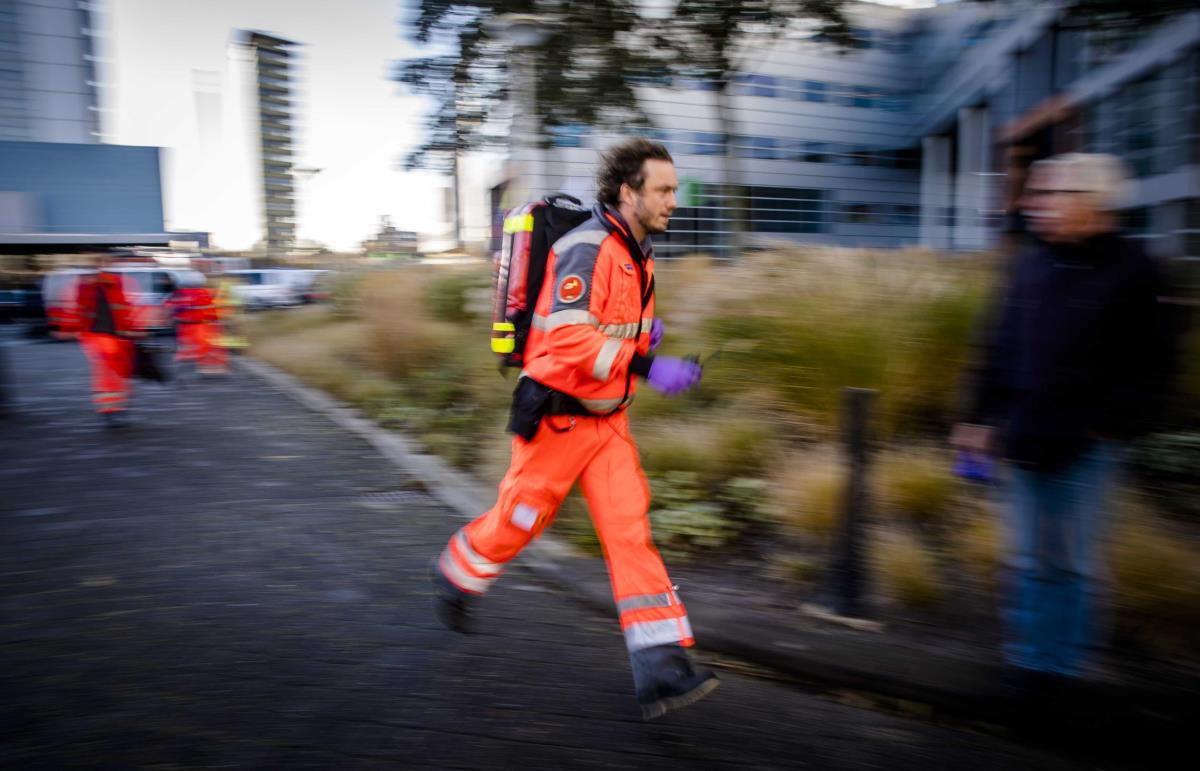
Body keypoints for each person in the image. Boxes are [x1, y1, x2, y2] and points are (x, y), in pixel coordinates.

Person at [431, 138, 716, 720]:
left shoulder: (640, 253)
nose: (672, 200)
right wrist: (645, 364)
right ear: (627, 192)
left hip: (608, 423)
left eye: (674, 189)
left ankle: (662, 665)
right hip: (557, 420)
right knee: (517, 524)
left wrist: (645, 337)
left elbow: (608, 325)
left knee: (629, 532)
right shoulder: (589, 245)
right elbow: (565, 338)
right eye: (662, 189)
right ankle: (458, 571)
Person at [952, 153, 1174, 685]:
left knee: (1071, 562)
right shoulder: (1030, 263)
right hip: (1025, 433)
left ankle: (1064, 666)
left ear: (1094, 203)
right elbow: (998, 345)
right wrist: (977, 417)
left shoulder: (1136, 269)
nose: (1035, 205)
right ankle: (1028, 659)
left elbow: (1154, 366)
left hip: (1087, 444)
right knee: (1028, 558)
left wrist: (1108, 426)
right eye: (1037, 194)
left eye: (1052, 194)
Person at [75, 262, 145, 426]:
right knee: (109, 372)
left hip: (116, 336)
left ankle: (116, 407)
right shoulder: (89, 287)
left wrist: (135, 330)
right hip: (101, 337)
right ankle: (111, 409)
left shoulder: (113, 284)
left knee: (118, 372)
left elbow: (127, 309)